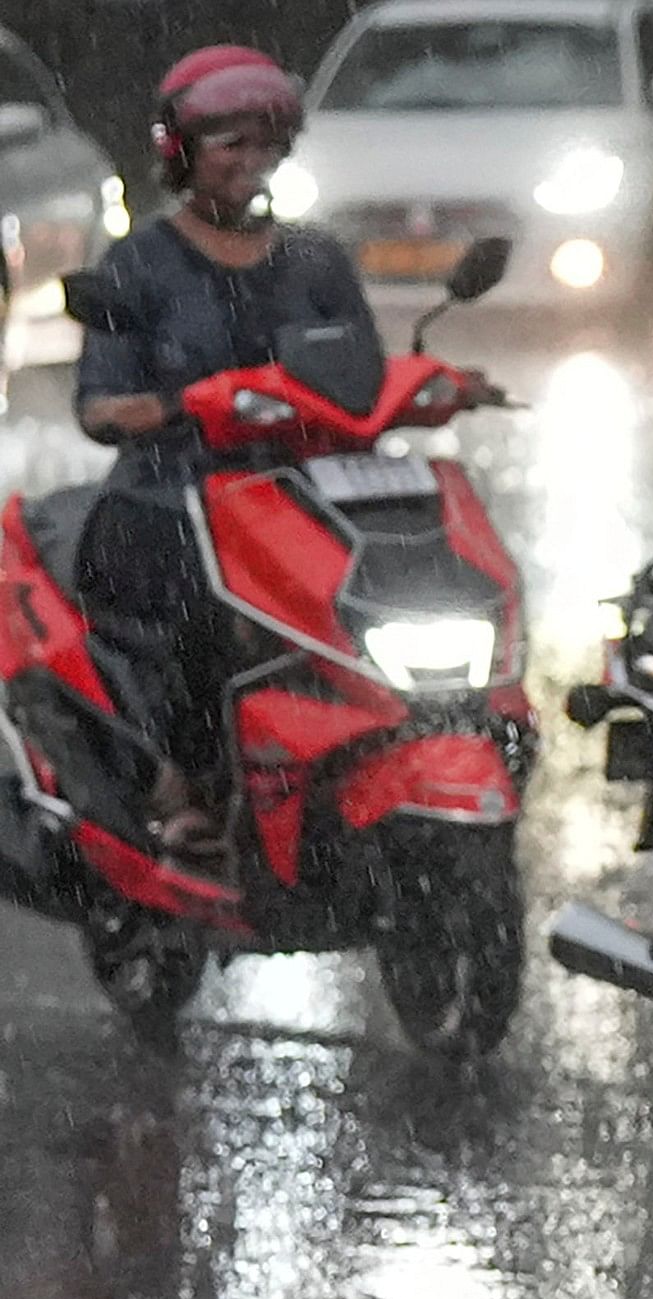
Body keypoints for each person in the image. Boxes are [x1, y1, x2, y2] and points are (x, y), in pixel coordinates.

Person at [72, 45, 378, 858]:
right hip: (172, 496)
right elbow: (98, 401)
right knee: (197, 615)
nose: (251, 160)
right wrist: (161, 408)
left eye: (265, 140)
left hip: (302, 495)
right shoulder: (136, 264)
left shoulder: (316, 259)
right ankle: (185, 778)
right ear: (181, 152)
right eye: (228, 143)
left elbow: (363, 376)